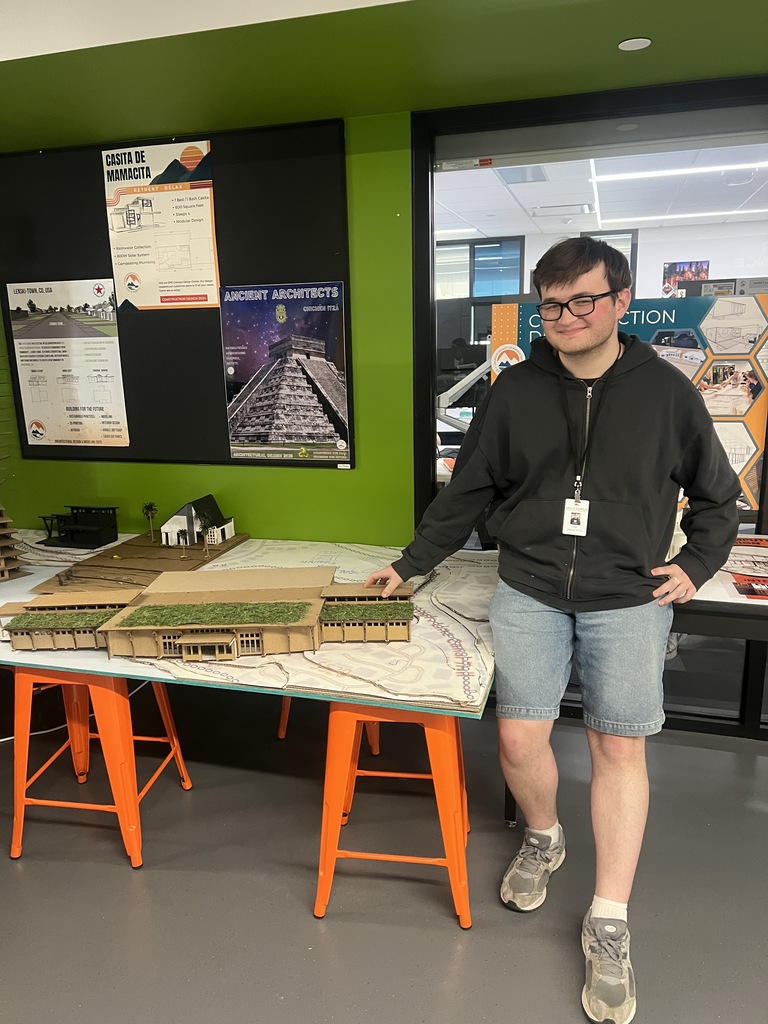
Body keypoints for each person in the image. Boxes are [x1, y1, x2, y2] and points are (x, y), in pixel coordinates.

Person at [366, 236, 739, 1024]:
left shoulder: (668, 394)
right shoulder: (514, 391)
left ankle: (609, 917)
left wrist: (696, 566)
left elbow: (717, 499)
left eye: (583, 301)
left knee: (617, 746)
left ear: (621, 302)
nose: (566, 317)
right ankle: (544, 835)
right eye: (552, 304)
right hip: (530, 587)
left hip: (627, 597)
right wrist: (410, 563)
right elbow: (467, 491)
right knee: (517, 741)